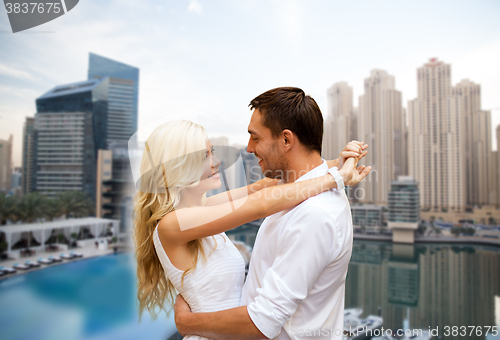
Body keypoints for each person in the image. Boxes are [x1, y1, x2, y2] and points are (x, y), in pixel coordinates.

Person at [173, 87, 369, 340]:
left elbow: (262, 323)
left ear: (286, 140)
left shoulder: (313, 214)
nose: (249, 147)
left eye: (255, 138)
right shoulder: (290, 192)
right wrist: (334, 169)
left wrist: (188, 324)